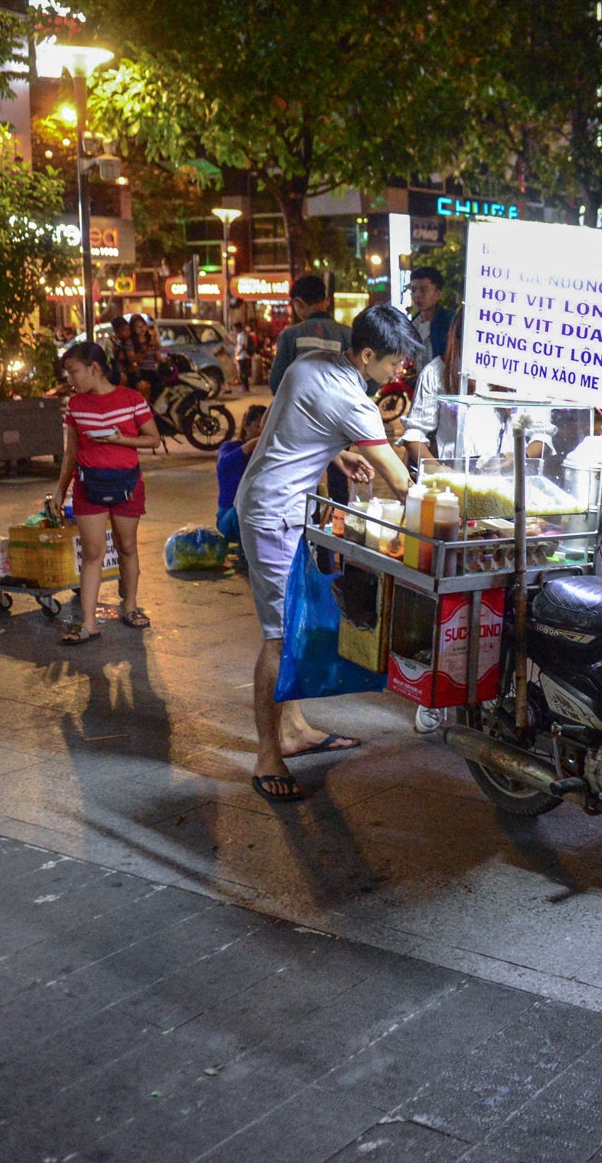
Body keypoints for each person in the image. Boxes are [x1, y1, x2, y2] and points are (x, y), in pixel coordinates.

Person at [236, 304, 423, 802]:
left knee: (291, 624)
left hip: (271, 501)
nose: (399, 372)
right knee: (278, 638)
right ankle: (266, 757)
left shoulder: (311, 364)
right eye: (395, 363)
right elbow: (402, 481)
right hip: (275, 513)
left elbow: (295, 421)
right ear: (365, 354)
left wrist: (335, 450)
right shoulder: (353, 401)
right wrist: (453, 506)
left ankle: (294, 730)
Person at [53, 342, 161, 646]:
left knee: (127, 546)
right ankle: (88, 622)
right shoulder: (75, 405)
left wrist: (120, 439)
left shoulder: (132, 399)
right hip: (89, 485)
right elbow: (71, 450)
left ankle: (129, 607)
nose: (70, 379)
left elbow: (153, 439)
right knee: (92, 552)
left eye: (73, 372)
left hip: (126, 482)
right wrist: (60, 490)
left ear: (94, 368)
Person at [397, 307, 465, 469]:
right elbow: (414, 433)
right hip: (453, 475)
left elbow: (537, 432)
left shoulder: (519, 375)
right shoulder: (435, 372)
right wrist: (438, 470)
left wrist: (520, 457)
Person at [268, 274, 353, 394]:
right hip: (338, 409)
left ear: (298, 303)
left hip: (300, 409)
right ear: (326, 301)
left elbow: (276, 384)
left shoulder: (289, 336)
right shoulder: (347, 334)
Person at [216, 404, 270, 561]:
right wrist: (251, 445)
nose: (263, 431)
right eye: (259, 426)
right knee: (244, 508)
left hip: (257, 514)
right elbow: (224, 464)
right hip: (228, 516)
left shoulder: (267, 453)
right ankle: (247, 554)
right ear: (246, 425)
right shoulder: (229, 447)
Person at [407, 266, 453, 365]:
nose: (417, 295)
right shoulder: (412, 325)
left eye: (423, 290)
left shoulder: (449, 324)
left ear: (438, 294)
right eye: (413, 290)